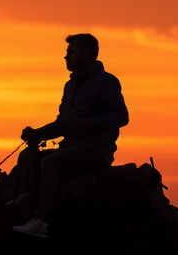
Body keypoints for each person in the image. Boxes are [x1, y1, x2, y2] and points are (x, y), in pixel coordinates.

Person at [13, 33, 129, 239]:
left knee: (49, 163)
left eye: (70, 53)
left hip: (94, 150)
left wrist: (90, 123)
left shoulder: (106, 81)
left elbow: (122, 116)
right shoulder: (71, 86)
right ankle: (26, 199)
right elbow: (62, 124)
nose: (66, 57)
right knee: (27, 156)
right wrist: (37, 133)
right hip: (71, 148)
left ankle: (42, 221)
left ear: (86, 54)